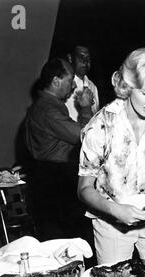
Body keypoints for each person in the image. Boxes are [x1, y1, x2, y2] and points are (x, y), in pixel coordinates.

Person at [77, 48, 145, 266]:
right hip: (111, 221)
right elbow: (84, 189)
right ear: (128, 85)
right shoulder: (100, 125)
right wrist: (116, 211)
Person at [25, 58, 95, 247]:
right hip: (57, 182)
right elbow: (86, 136)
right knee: (67, 242)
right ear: (56, 81)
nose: (73, 85)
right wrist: (86, 108)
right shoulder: (48, 109)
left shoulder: (46, 106)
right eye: (70, 79)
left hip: (50, 180)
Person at [66, 45, 100, 121]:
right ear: (70, 58)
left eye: (88, 58)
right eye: (81, 57)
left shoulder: (93, 87)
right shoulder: (65, 82)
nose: (85, 61)